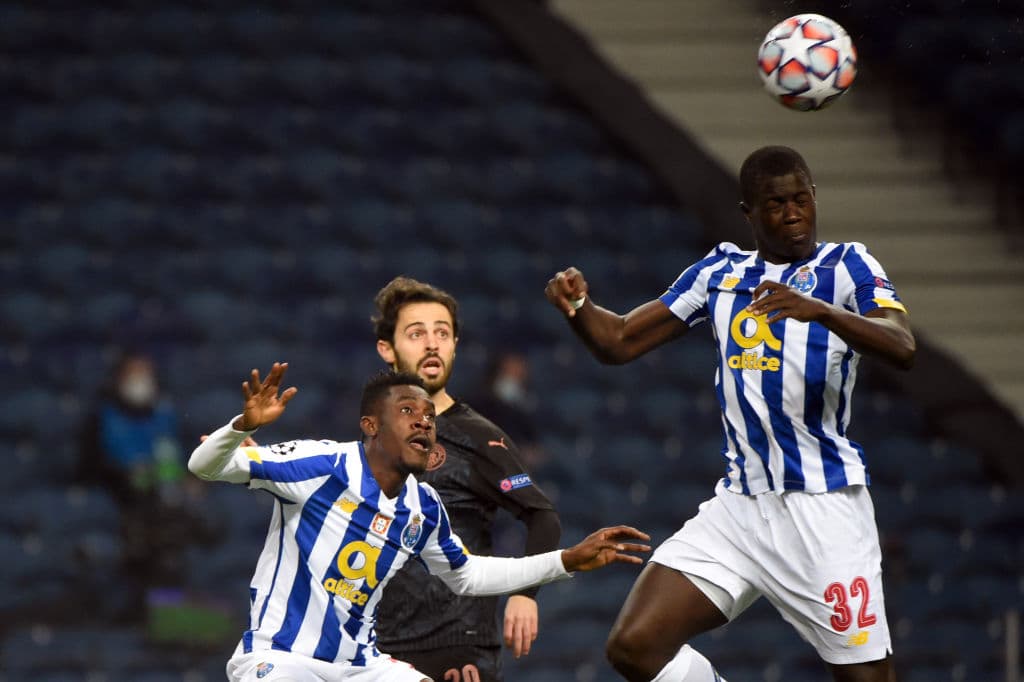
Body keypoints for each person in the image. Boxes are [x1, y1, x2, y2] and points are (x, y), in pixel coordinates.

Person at [544, 145, 915, 682]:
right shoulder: (720, 272)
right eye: (775, 203)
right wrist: (580, 309)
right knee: (635, 646)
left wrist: (823, 311)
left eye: (801, 199)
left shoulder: (846, 266)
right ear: (748, 213)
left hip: (824, 507)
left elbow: (902, 345)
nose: (792, 214)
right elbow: (620, 340)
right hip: (740, 509)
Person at [188, 363, 649, 682]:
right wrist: (240, 428)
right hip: (281, 660)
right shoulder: (320, 464)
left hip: (357, 667)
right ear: (371, 425)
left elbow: (467, 575)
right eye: (407, 411)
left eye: (429, 415)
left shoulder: (423, 506)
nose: (424, 423)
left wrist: (565, 560)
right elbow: (204, 466)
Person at [370, 277, 561, 682]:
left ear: (455, 345)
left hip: (458, 650)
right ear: (387, 348)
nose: (432, 343)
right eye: (416, 333)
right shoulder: (373, 437)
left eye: (442, 333)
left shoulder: (479, 437)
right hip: (377, 650)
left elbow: (543, 516)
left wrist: (526, 595)